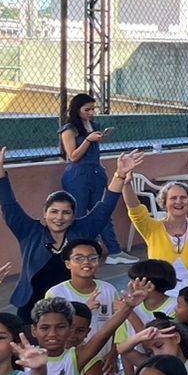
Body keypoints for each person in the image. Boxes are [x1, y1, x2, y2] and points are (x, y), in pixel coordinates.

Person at [0, 139, 144, 315]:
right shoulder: (29, 232)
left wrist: (119, 174)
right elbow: (8, 204)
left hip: (78, 306)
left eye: (66, 213)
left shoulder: (83, 230)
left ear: (73, 216)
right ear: (45, 213)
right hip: (33, 307)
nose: (59, 218)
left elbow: (105, 206)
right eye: (54, 212)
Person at [57, 93, 131, 263]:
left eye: (92, 109)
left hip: (96, 172)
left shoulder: (93, 124)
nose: (91, 113)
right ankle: (77, 252)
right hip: (77, 175)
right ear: (77, 110)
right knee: (79, 213)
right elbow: (73, 156)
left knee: (103, 211)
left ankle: (114, 251)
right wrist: (88, 140)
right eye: (87, 109)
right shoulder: (69, 129)